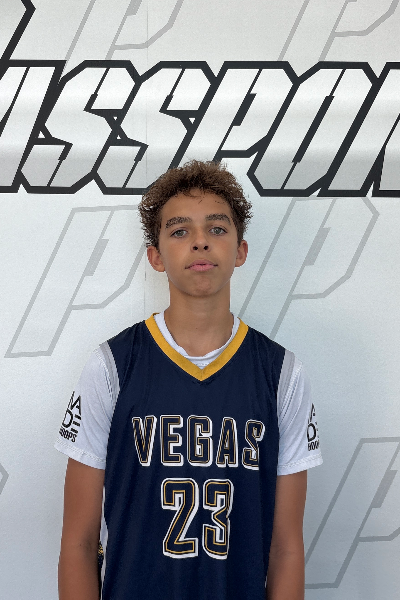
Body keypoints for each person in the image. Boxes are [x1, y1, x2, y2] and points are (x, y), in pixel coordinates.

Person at [56, 160, 322, 600]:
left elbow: (286, 549)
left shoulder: (282, 374)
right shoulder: (111, 366)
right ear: (156, 257)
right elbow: (79, 543)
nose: (200, 241)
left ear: (240, 250)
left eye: (216, 228)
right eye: (180, 231)